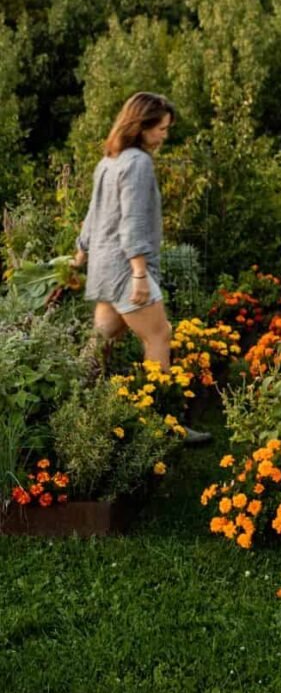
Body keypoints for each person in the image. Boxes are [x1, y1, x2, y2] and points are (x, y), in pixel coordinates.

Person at [71, 90, 210, 444]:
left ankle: (69, 408)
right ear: (142, 125)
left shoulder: (109, 161)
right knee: (158, 335)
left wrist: (81, 254)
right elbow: (132, 221)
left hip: (102, 266)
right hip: (124, 268)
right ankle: (162, 426)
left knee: (101, 342)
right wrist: (138, 273)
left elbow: (93, 214)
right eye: (160, 128)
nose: (164, 135)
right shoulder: (137, 162)